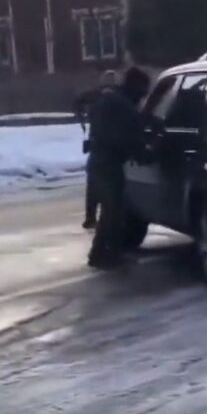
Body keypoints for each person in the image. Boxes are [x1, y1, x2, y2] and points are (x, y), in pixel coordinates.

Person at [86, 67, 151, 269]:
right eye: (143, 91)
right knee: (114, 211)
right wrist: (147, 154)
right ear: (136, 87)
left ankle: (99, 253)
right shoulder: (124, 108)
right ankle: (108, 255)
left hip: (97, 160)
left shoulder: (111, 99)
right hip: (108, 163)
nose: (143, 97)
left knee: (110, 210)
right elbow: (130, 140)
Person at [73, 70, 119, 229]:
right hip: (110, 147)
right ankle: (107, 217)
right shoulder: (117, 98)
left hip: (97, 145)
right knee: (110, 185)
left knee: (94, 185)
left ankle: (91, 217)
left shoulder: (94, 97)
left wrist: (82, 118)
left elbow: (78, 101)